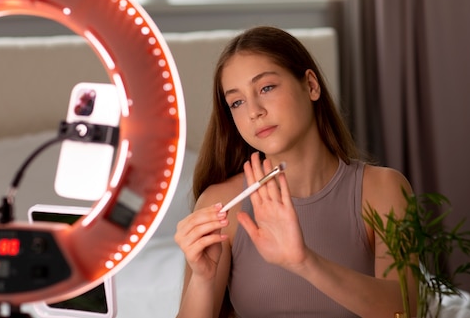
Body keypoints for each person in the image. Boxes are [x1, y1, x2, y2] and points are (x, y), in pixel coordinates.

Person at [174, 26, 417, 318]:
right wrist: (202, 280)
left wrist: (304, 261)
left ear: (311, 85)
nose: (254, 111)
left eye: (266, 87)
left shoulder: (383, 189)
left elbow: (407, 311)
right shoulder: (222, 204)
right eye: (236, 102)